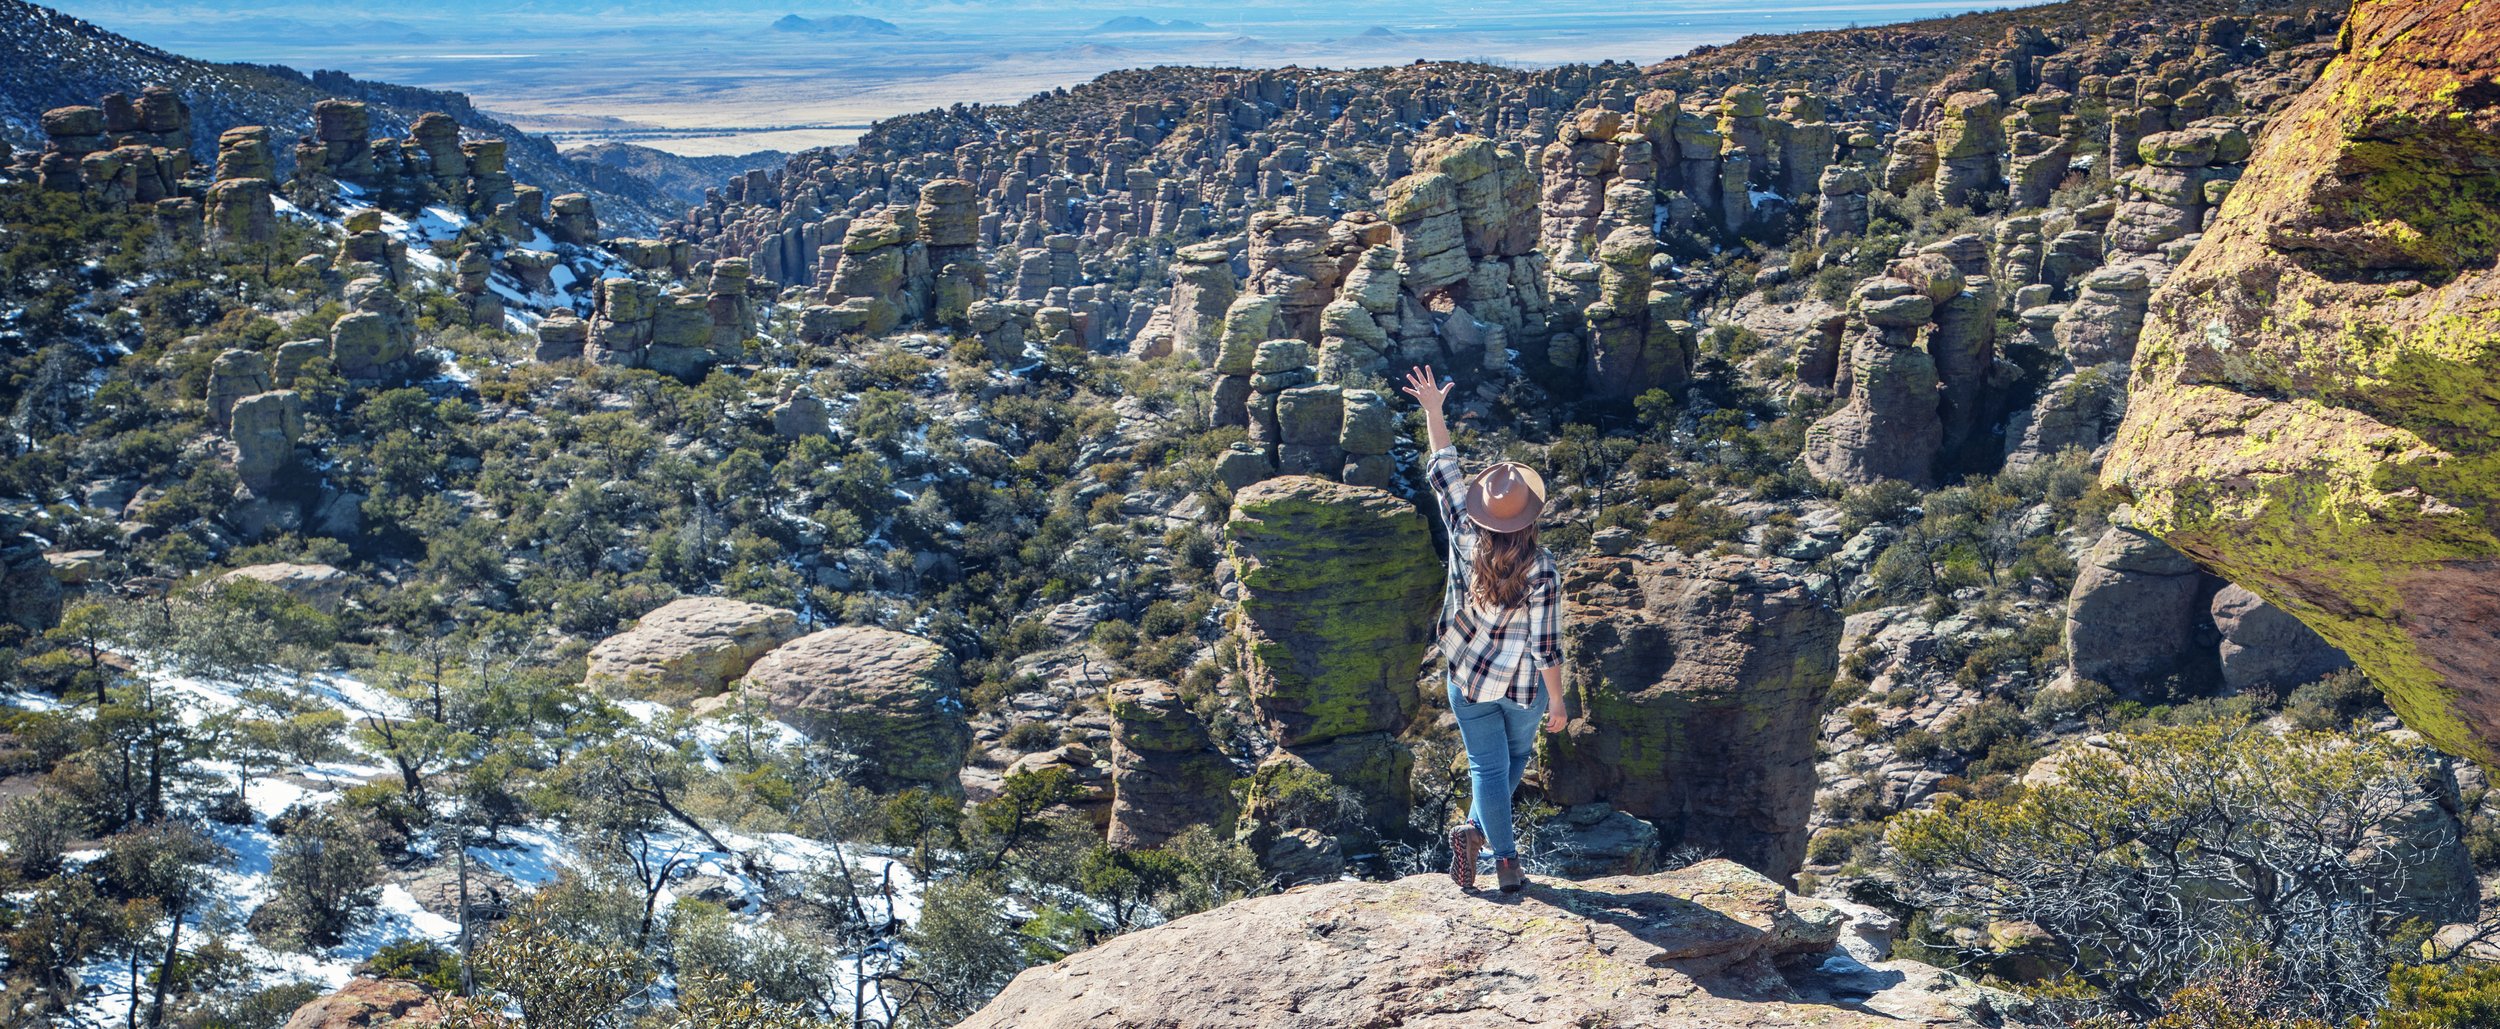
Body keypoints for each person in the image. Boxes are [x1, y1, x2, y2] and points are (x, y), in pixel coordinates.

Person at [1399, 365, 1565, 894]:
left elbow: (1443, 468)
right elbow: (1547, 646)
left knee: (1489, 769)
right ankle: (1501, 856)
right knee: (1511, 762)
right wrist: (1557, 703)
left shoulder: (1464, 535)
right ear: (1530, 518)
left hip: (1467, 681)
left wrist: (1433, 411)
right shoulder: (1543, 568)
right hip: (1522, 689)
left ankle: (1484, 841)